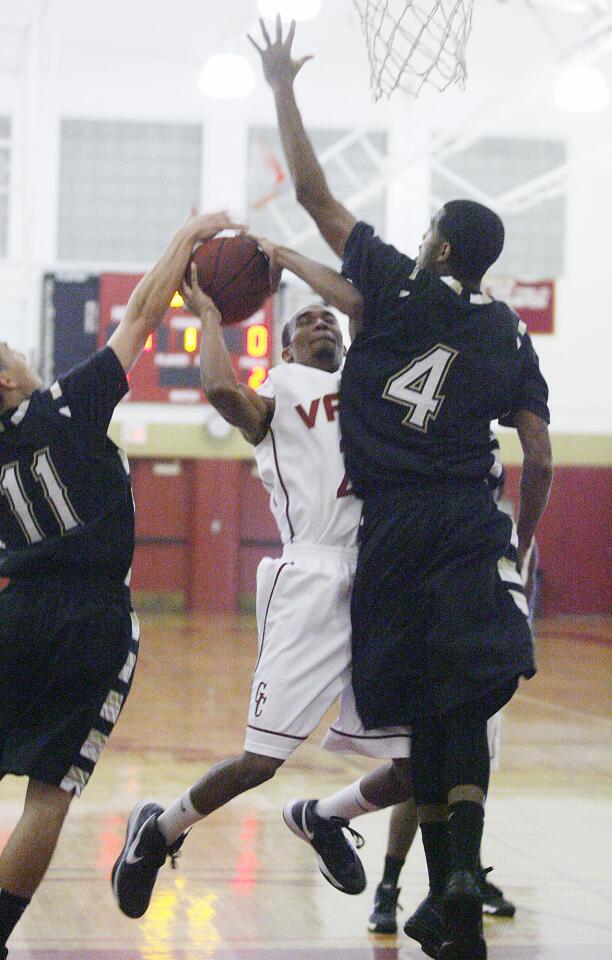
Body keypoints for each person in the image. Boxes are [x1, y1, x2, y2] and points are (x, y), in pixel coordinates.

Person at [251, 17, 553, 960]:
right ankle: (453, 879)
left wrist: (282, 85)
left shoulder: (394, 284)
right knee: (464, 705)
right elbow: (539, 453)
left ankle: (443, 883)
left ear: (434, 244)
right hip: (473, 522)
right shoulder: (508, 332)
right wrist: (526, 538)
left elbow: (311, 190)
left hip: (395, 531)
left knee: (427, 706)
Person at [111, 241, 415, 922]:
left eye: (328, 322)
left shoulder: (374, 383)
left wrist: (294, 257)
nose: (323, 326)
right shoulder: (281, 389)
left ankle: (323, 817)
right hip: (312, 574)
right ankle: (158, 835)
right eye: (307, 322)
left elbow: (363, 305)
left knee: (417, 766)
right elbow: (222, 390)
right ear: (282, 346)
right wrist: (209, 314)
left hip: (381, 583)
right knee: (261, 760)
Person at [0, 210, 241, 958]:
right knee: (49, 796)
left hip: (16, 612)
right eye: (12, 347)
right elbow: (143, 308)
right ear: (6, 377)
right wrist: (189, 235)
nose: (23, 352)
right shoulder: (65, 407)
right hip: (92, 621)